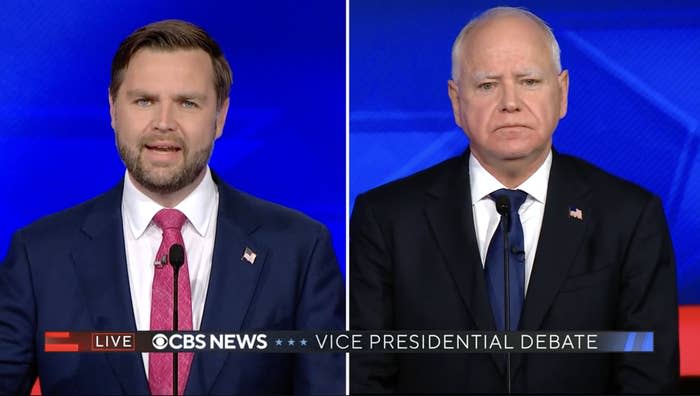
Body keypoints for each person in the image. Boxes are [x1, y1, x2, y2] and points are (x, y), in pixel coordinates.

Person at [0, 19, 344, 395]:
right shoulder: (39, 255)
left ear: (221, 116)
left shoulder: (298, 250)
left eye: (187, 103)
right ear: (113, 109)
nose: (164, 123)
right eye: (144, 101)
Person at [350, 7, 678, 394]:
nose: (510, 102)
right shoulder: (386, 219)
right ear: (457, 101)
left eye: (529, 81)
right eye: (488, 85)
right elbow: (365, 376)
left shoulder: (630, 218)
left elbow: (648, 381)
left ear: (562, 93)